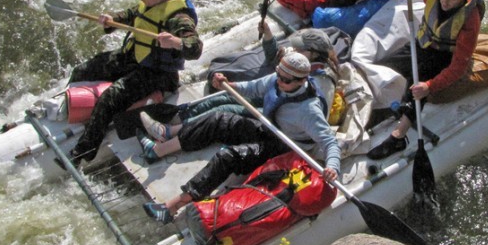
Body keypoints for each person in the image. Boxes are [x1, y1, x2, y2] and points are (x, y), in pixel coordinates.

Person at [142, 52, 340, 224]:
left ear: (301, 81)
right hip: (270, 129)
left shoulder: (309, 111)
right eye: (279, 75)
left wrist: (332, 166)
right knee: (217, 119)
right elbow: (252, 88)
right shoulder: (278, 80)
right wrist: (228, 84)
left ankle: (171, 207)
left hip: (286, 147)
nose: (279, 81)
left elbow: (329, 142)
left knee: (227, 157)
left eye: (286, 80)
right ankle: (158, 150)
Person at [65, 0, 203, 166]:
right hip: (134, 56)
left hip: (157, 72)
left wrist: (175, 42)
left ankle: (83, 152)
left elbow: (195, 48)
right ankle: (70, 104)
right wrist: (111, 21)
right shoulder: (149, 2)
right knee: (83, 70)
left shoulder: (179, 18)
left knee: (109, 99)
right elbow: (131, 14)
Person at [138, 22, 340, 151]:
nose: (293, 50)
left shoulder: (321, 81)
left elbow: (301, 114)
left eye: (298, 48)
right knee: (224, 97)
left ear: (312, 54)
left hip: (281, 119)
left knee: (226, 109)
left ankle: (170, 133)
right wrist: (268, 35)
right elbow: (275, 56)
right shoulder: (298, 61)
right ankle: (177, 122)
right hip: (274, 101)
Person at [366, 0, 485, 160]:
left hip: (444, 56)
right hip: (421, 44)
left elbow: (459, 66)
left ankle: (398, 137)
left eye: (451, 0)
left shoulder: (470, 20)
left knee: (418, 87)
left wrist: (430, 86)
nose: (444, 3)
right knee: (382, 67)